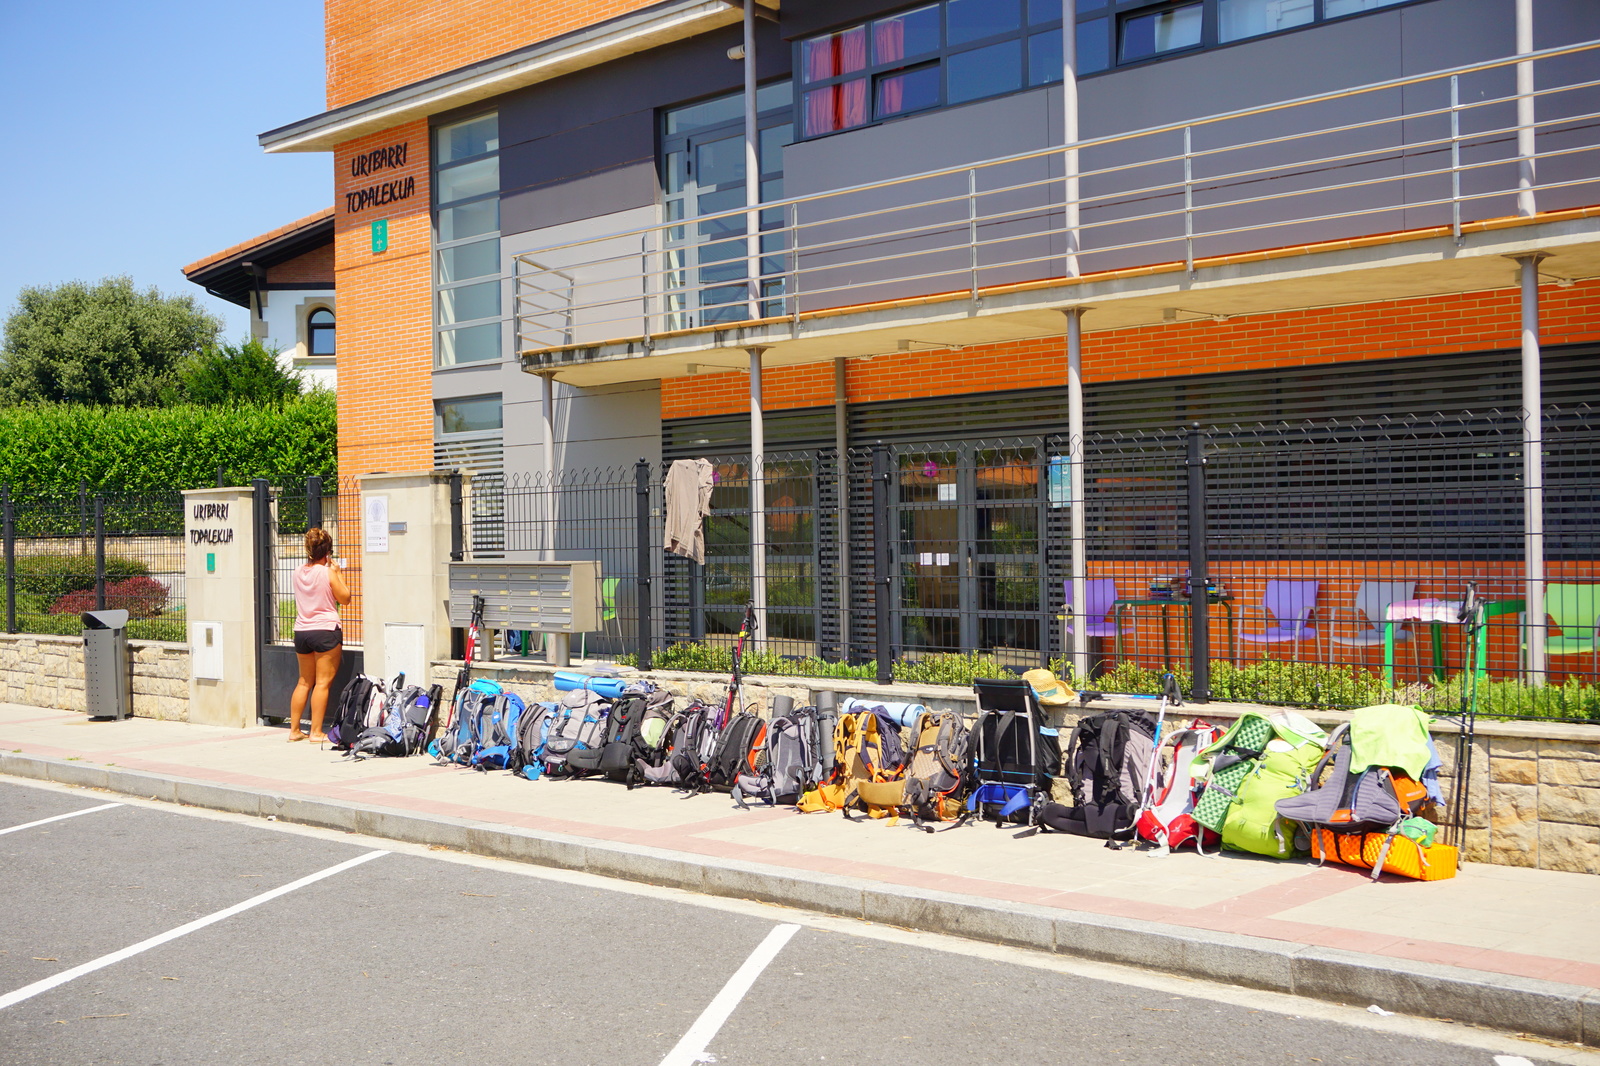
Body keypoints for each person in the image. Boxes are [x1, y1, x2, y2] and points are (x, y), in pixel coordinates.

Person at [288, 528, 351, 742]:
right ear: (327, 552)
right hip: (325, 630)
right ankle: (316, 732)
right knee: (322, 683)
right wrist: (338, 572)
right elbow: (345, 598)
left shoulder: (297, 571)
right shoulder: (327, 572)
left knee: (304, 682)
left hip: (302, 631)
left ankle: (294, 730)